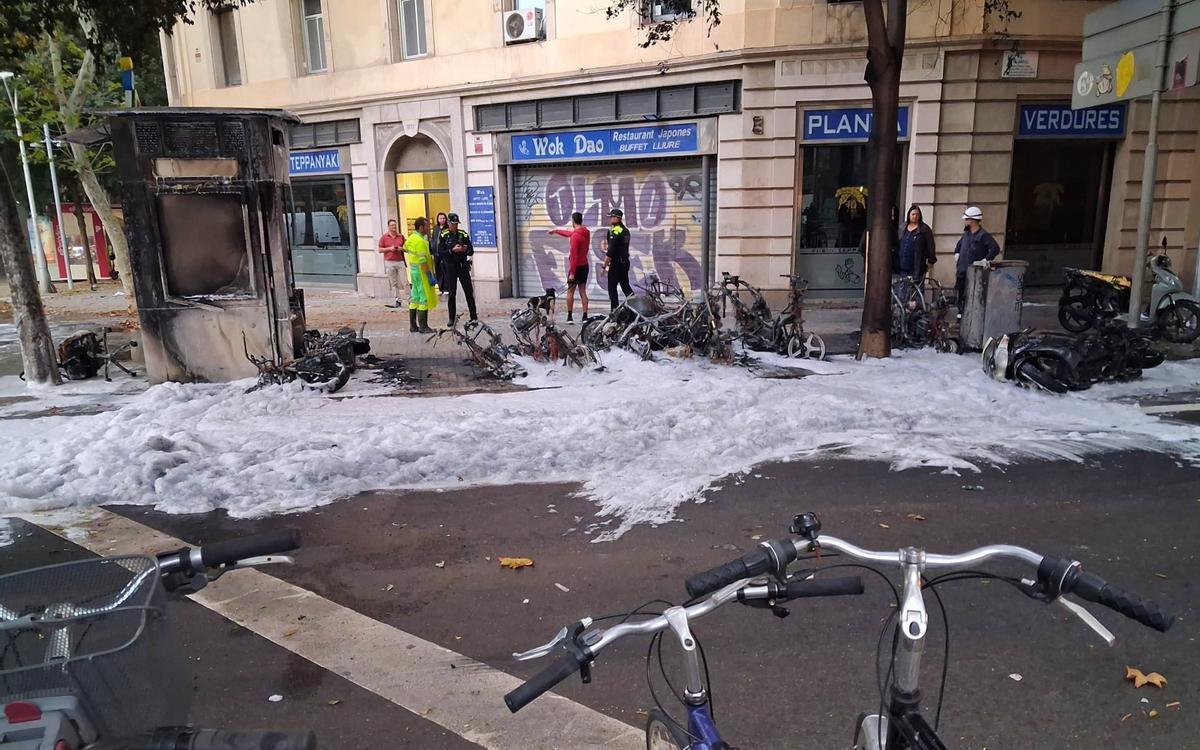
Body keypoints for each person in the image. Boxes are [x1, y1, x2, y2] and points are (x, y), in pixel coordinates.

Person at [953, 206, 1001, 312]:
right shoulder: (966, 234)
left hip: (974, 273)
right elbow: (959, 245)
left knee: (972, 298)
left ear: (972, 220)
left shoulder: (983, 235)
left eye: (966, 219)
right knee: (960, 297)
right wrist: (957, 253)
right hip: (962, 271)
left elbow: (995, 248)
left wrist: (986, 260)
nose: (964, 221)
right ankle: (960, 317)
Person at [547, 211, 590, 323]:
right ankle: (585, 316)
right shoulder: (585, 232)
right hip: (585, 265)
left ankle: (570, 317)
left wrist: (572, 272)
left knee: (570, 292)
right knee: (582, 291)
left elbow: (574, 256)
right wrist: (555, 231)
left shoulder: (575, 237)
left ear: (573, 221)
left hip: (576, 267)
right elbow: (569, 233)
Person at [436, 212, 478, 325]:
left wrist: (465, 249)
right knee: (452, 293)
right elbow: (440, 253)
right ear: (448, 223)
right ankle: (451, 318)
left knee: (469, 292)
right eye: (453, 224)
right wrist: (452, 251)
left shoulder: (463, 234)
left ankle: (474, 317)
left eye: (456, 224)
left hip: (462, 265)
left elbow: (471, 250)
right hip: (450, 266)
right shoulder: (444, 235)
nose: (455, 226)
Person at [403, 217, 438, 333]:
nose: (429, 228)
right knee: (424, 299)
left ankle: (413, 326)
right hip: (422, 272)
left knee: (415, 298)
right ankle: (423, 326)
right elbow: (423, 260)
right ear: (421, 227)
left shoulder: (411, 238)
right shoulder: (420, 241)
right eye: (427, 226)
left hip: (414, 272)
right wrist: (429, 275)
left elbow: (405, 249)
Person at [602, 208, 633, 310]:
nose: (610, 219)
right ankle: (637, 306)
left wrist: (604, 266)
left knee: (612, 287)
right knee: (625, 287)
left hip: (616, 264)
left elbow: (610, 252)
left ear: (617, 218)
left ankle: (614, 310)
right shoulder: (626, 230)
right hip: (624, 263)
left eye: (611, 217)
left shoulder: (615, 231)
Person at [895, 205, 937, 278]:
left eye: (917, 214)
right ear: (909, 215)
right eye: (913, 214)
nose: (915, 216)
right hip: (902, 266)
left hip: (917, 267)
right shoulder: (902, 227)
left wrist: (931, 261)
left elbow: (931, 247)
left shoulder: (925, 229)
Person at [378, 219, 407, 308]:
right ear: (389, 226)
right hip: (390, 261)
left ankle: (410, 299)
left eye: (395, 225)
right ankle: (397, 300)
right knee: (393, 282)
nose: (394, 227)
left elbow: (406, 248)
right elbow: (380, 249)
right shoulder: (384, 237)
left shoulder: (401, 236)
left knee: (405, 281)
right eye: (392, 225)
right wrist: (389, 249)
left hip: (400, 261)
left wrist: (401, 248)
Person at [433, 212, 450, 295]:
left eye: (444, 218)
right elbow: (433, 239)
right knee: (438, 271)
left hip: (444, 253)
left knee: (445, 270)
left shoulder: (447, 228)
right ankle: (440, 288)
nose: (442, 220)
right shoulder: (436, 228)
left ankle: (446, 288)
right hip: (436, 254)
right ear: (438, 219)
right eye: (441, 218)